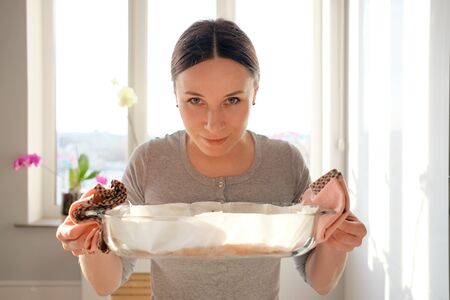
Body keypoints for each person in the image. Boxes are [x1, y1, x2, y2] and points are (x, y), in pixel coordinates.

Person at [57, 18, 366, 299]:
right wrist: (88, 236)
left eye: (232, 100)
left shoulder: (284, 162)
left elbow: (320, 280)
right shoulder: (150, 161)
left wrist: (337, 241)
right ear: (175, 94)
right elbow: (106, 283)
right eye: (195, 101)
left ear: (255, 91)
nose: (213, 123)